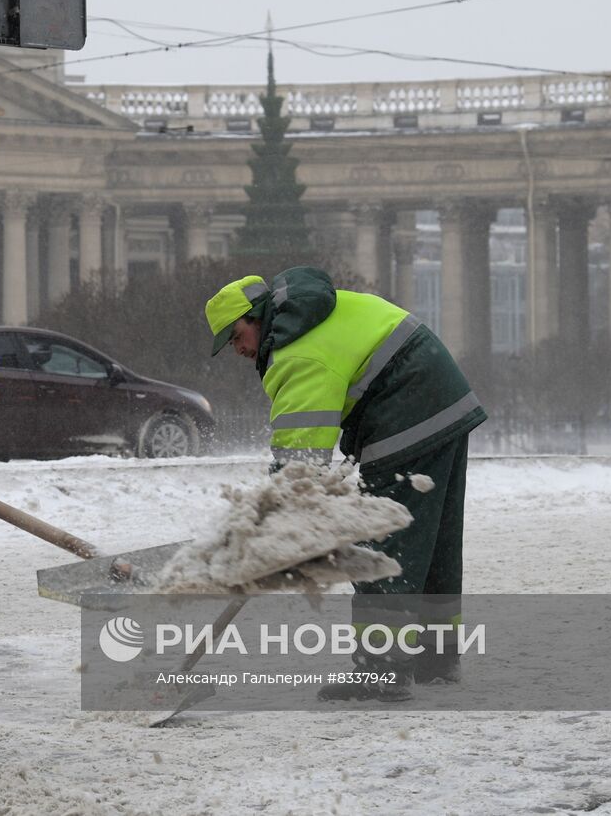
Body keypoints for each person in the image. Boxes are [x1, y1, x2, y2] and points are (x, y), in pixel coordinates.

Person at [205, 267, 485, 701]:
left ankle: (382, 670)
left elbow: (299, 464)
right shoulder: (313, 317)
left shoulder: (296, 352)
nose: (237, 350)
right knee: (433, 540)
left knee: (379, 542)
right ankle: (437, 657)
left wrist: (269, 523)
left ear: (255, 318)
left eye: (236, 336)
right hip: (445, 400)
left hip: (407, 409)